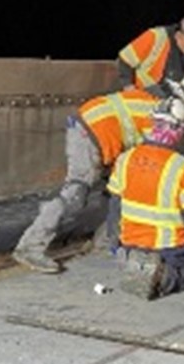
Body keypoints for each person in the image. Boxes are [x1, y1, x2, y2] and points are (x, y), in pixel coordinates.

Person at [13, 86, 158, 273]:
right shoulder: (155, 115)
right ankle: (30, 247)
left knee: (119, 189)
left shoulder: (144, 99)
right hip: (91, 136)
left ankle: (104, 241)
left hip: (92, 131)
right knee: (75, 195)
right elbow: (149, 159)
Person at [105, 98, 184, 299]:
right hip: (169, 250)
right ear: (177, 129)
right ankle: (168, 277)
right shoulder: (183, 168)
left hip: (130, 245)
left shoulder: (125, 159)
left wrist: (114, 242)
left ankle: (136, 265)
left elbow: (114, 207)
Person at [117, 17, 184, 97]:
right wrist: (128, 87)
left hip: (167, 108)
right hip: (141, 96)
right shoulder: (156, 37)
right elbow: (125, 59)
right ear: (181, 36)